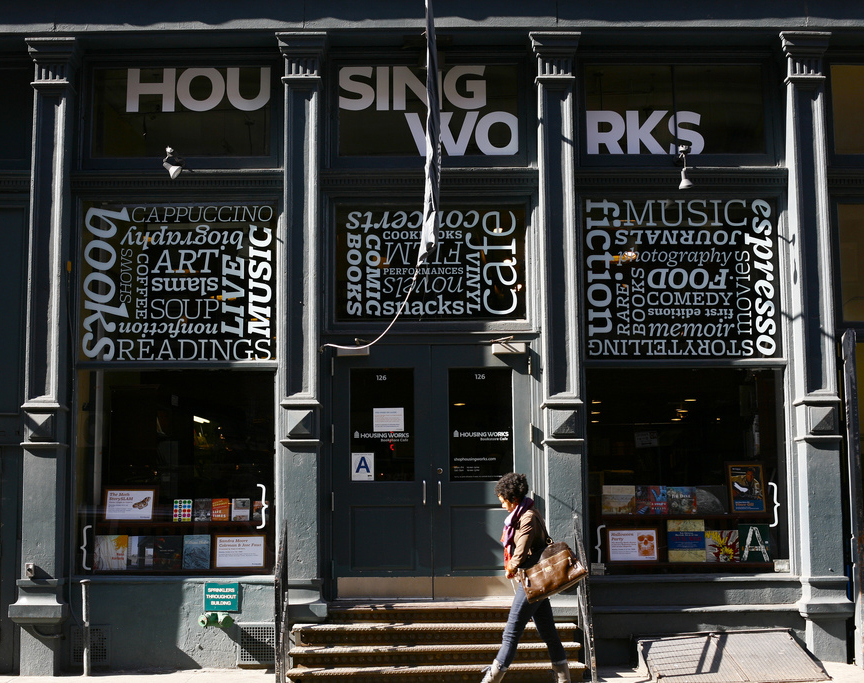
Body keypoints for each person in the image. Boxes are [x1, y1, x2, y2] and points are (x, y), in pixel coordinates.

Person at [480, 472, 571, 683]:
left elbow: (520, 553)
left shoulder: (527, 517)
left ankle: (492, 679)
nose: (502, 505)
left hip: (532, 581)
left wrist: (511, 567)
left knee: (511, 633)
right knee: (549, 633)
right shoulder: (526, 514)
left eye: (503, 501)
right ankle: (563, 678)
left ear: (513, 499)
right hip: (537, 582)